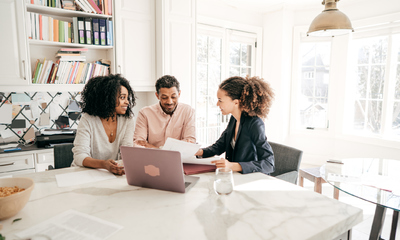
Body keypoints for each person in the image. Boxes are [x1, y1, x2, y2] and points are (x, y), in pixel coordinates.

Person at [195, 76, 275, 174]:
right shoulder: (234, 119)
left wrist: (232, 166)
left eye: (220, 100)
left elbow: (269, 164)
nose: (217, 104)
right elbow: (220, 145)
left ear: (236, 102)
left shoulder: (255, 124)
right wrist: (199, 152)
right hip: (235, 177)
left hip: (250, 179)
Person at [72, 74, 136, 175]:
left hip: (111, 174)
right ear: (108, 98)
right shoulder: (88, 119)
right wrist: (104, 164)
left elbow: (127, 152)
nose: (127, 102)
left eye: (127, 98)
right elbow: (79, 156)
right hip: (85, 173)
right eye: (122, 97)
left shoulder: (128, 120)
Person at [133, 75, 196, 148]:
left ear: (179, 94)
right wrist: (179, 145)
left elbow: (190, 143)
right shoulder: (144, 113)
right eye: (164, 98)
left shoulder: (188, 111)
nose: (170, 102)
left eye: (173, 97)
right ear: (157, 95)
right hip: (153, 159)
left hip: (179, 159)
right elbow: (138, 144)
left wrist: (155, 148)